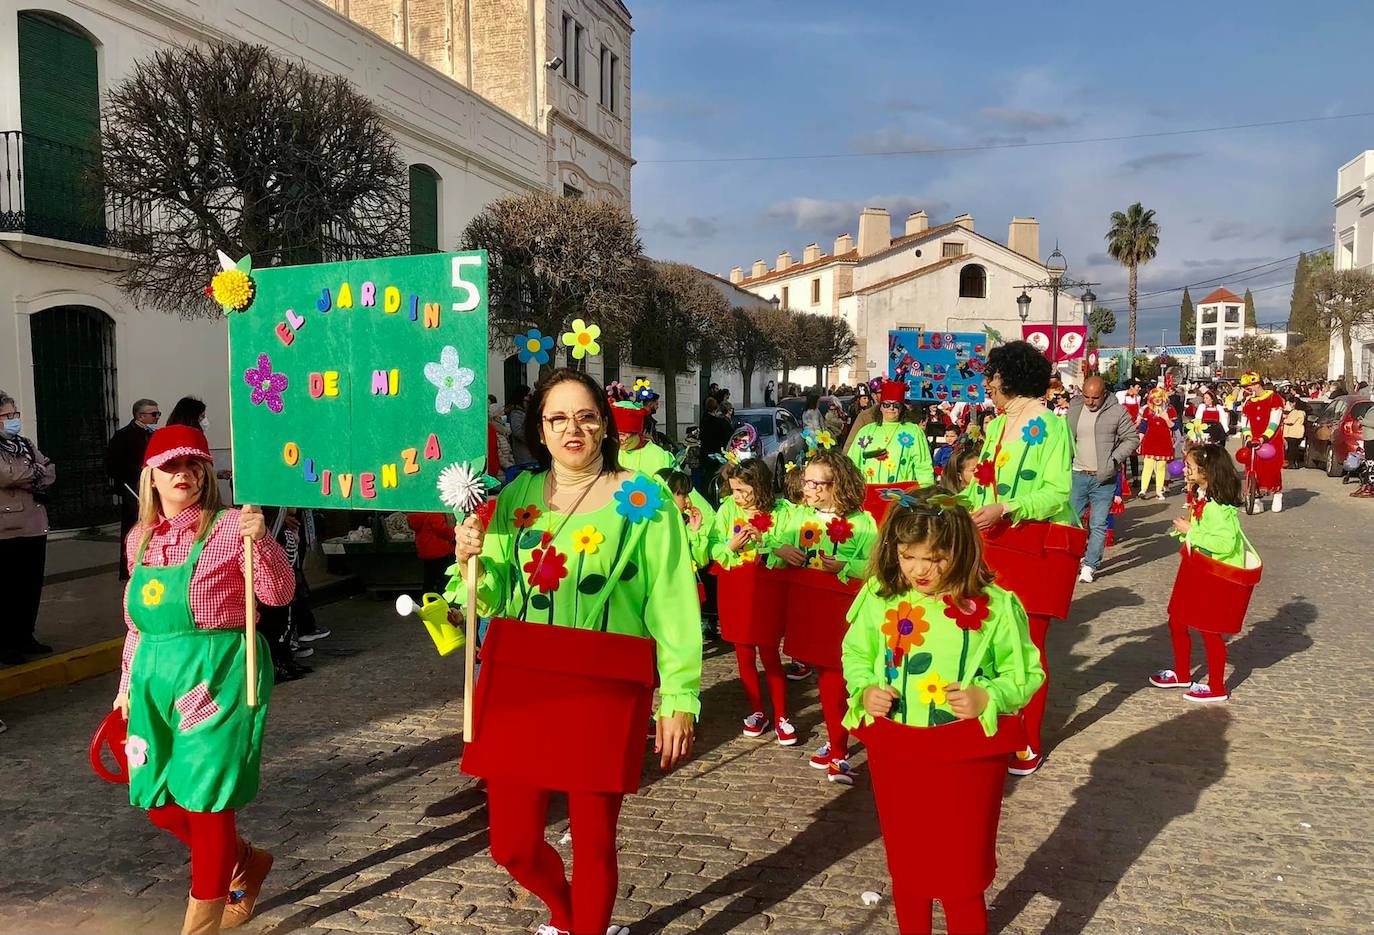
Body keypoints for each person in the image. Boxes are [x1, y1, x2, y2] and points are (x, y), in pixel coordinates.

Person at [451, 368, 700, 935]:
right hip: (520, 679)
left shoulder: (647, 499)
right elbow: (489, 596)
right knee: (511, 846)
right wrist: (470, 558)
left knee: (592, 841)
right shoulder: (514, 495)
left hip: (604, 683)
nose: (572, 429)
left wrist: (680, 694)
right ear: (540, 429)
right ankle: (568, 918)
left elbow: (672, 597)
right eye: (558, 418)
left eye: (585, 416)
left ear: (604, 425)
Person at [113, 425, 294, 934]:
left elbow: (279, 594)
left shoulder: (231, 525)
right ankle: (244, 861)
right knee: (161, 802)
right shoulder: (138, 539)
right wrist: (126, 685)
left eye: (193, 463)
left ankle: (203, 923)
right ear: (150, 477)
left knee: (206, 799)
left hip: (217, 674)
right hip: (153, 679)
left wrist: (263, 543)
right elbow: (135, 625)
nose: (183, 474)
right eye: (170, 465)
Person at [842, 489, 1044, 935]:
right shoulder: (881, 597)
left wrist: (988, 697)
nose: (920, 570)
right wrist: (865, 689)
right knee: (908, 865)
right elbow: (856, 652)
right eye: (908, 556)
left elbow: (1026, 671)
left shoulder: (994, 606)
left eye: (935, 558)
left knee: (960, 873)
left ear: (961, 550)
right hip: (896, 752)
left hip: (965, 759)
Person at [962, 341, 1078, 777]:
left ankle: (1028, 742)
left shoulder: (1049, 425)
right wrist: (953, 502)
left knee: (1027, 647)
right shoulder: (994, 427)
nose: (987, 383)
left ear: (1011, 377)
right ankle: (996, 725)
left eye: (992, 375)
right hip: (995, 546)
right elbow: (982, 488)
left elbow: (1056, 493)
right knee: (991, 641)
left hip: (1035, 548)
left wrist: (1007, 508)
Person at [768, 448, 878, 784]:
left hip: (841, 609)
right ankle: (837, 738)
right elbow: (773, 546)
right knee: (827, 678)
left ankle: (841, 750)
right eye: (808, 482)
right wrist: (779, 549)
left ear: (839, 485)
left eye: (819, 484)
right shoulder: (800, 516)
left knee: (837, 678)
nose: (810, 490)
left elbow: (877, 568)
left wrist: (848, 566)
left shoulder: (863, 523)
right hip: (807, 604)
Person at [1149, 444, 1259, 703]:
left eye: (1190, 467)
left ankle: (1217, 686)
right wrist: (1186, 531)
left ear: (1206, 472)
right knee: (1177, 619)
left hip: (1215, 574)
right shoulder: (1203, 498)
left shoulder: (1217, 508)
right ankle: (1182, 673)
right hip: (1196, 567)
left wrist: (1192, 532)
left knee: (1210, 631)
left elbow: (1224, 543)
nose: (1185, 470)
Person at [710, 456, 796, 745]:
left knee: (770, 653)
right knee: (744, 654)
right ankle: (757, 711)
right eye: (735, 491)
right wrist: (728, 546)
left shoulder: (782, 510)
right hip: (735, 585)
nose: (741, 498)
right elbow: (714, 547)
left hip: (767, 586)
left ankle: (783, 715)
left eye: (747, 491)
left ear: (761, 486)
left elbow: (789, 547)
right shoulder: (726, 510)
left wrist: (765, 541)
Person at [0, 392, 57, 665]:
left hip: (34, 524)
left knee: (30, 585)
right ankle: (5, 643)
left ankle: (26, 636)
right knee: (7, 588)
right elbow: (6, 475)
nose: (13, 420)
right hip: (6, 527)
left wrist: (30, 474)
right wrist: (33, 472)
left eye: (15, 414)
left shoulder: (23, 444)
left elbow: (49, 470)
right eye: (7, 416)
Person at [1066, 377, 1139, 583]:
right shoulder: (1075, 406)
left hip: (1103, 477)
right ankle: (1073, 559)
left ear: (1104, 394)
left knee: (1098, 524)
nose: (1090, 402)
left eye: (1095, 398)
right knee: (1073, 521)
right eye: (1086, 396)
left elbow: (1132, 438)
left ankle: (1090, 565)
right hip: (1077, 473)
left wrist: (1113, 460)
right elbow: (1065, 433)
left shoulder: (1117, 412)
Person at [106, 398, 161, 580]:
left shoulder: (154, 434)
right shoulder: (124, 436)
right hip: (134, 489)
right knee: (134, 529)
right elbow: (113, 465)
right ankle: (130, 570)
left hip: (154, 488)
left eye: (158, 414)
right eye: (153, 414)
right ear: (140, 415)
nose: (156, 418)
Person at [847, 380, 935, 487]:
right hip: (869, 494)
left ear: (902, 407)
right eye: (887, 404)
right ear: (881, 407)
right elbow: (852, 463)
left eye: (896, 405)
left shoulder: (914, 431)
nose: (891, 408)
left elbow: (923, 465)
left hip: (903, 496)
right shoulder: (866, 431)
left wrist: (927, 492)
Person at [1235, 372, 1285, 512]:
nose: (1247, 390)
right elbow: (1245, 421)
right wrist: (1248, 435)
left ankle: (1277, 493)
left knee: (1272, 468)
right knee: (1252, 467)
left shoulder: (1273, 398)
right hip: (1253, 440)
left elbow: (1274, 421)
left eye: (1249, 386)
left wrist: (1264, 437)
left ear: (1257, 384)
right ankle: (1255, 500)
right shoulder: (1249, 402)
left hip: (1271, 441)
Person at [1138, 389, 1177, 501]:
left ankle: (1159, 491)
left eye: (1159, 397)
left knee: (1161, 467)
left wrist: (1166, 419)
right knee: (1147, 466)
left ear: (1163, 397)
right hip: (1150, 441)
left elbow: (1175, 427)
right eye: (1155, 397)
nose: (1157, 399)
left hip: (1164, 442)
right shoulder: (1147, 410)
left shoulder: (1170, 410)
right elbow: (1143, 427)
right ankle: (1143, 490)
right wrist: (1139, 442)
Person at [407, 512, 457, 595]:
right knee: (443, 579)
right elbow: (441, 529)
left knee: (429, 578)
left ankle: (427, 599)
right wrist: (453, 533)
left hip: (426, 551)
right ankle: (442, 599)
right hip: (440, 550)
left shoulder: (416, 513)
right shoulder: (434, 513)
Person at [506, 384, 533, 466]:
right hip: (524, 456)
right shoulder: (516, 413)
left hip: (529, 455)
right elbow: (518, 432)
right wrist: (532, 439)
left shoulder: (524, 412)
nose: (530, 399)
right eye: (529, 396)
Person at [1282, 397, 1306, 467]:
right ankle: (1294, 463)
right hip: (1296, 433)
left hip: (1292, 433)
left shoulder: (1296, 412)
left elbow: (1290, 421)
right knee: (1294, 449)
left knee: (1291, 450)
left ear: (1294, 403)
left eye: (1290, 403)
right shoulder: (1301, 412)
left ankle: (1291, 464)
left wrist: (1283, 420)